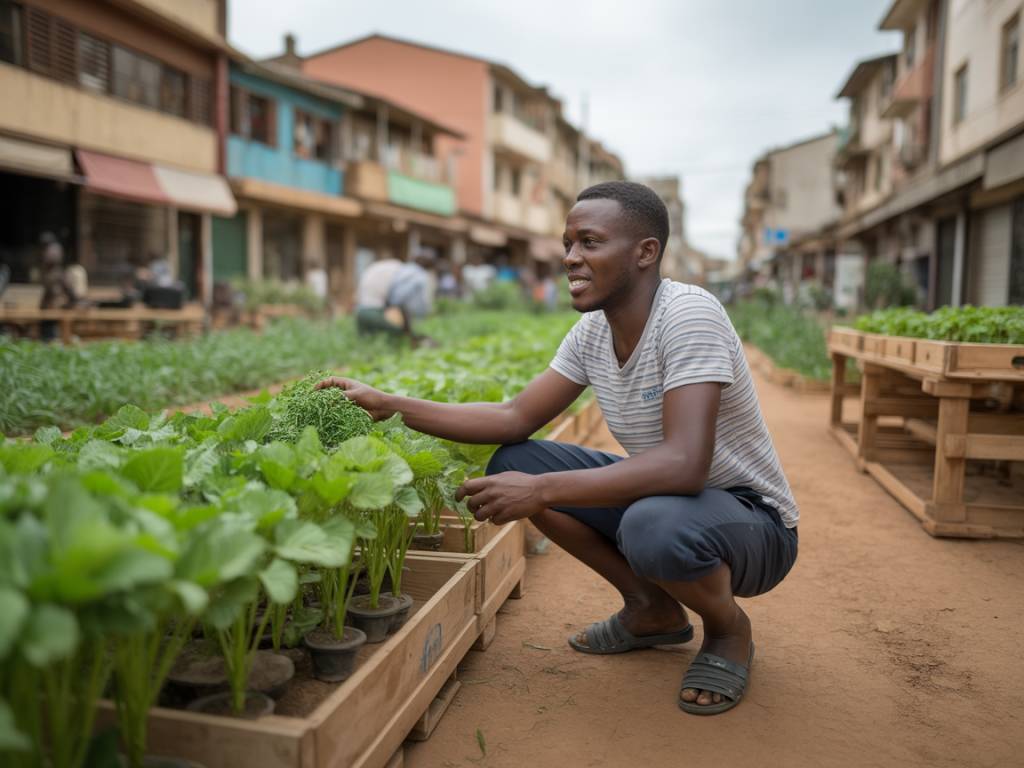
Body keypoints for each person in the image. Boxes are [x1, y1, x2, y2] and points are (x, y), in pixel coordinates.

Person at [318, 181, 798, 716]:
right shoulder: (593, 332)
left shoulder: (687, 315)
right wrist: (389, 403)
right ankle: (650, 609)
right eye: (568, 243)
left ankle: (729, 632)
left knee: (648, 523)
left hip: (753, 523)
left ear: (645, 252)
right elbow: (513, 417)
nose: (571, 258)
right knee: (516, 460)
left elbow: (686, 466)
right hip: (670, 503)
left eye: (589, 242)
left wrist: (542, 489)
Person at [354, 250, 435, 341]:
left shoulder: (398, 267)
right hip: (372, 310)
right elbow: (397, 300)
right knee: (398, 333)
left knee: (367, 340)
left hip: (360, 310)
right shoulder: (416, 274)